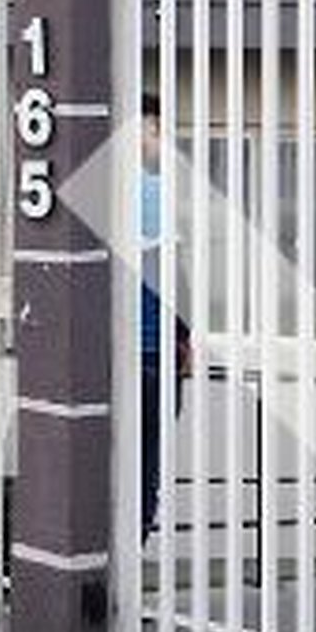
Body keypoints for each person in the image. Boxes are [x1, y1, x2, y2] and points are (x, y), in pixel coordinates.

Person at [136, 98, 192, 540]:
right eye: (156, 131)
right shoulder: (152, 191)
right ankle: (128, 570)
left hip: (113, 355)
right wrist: (185, 337)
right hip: (153, 349)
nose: (160, 143)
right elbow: (173, 272)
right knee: (146, 458)